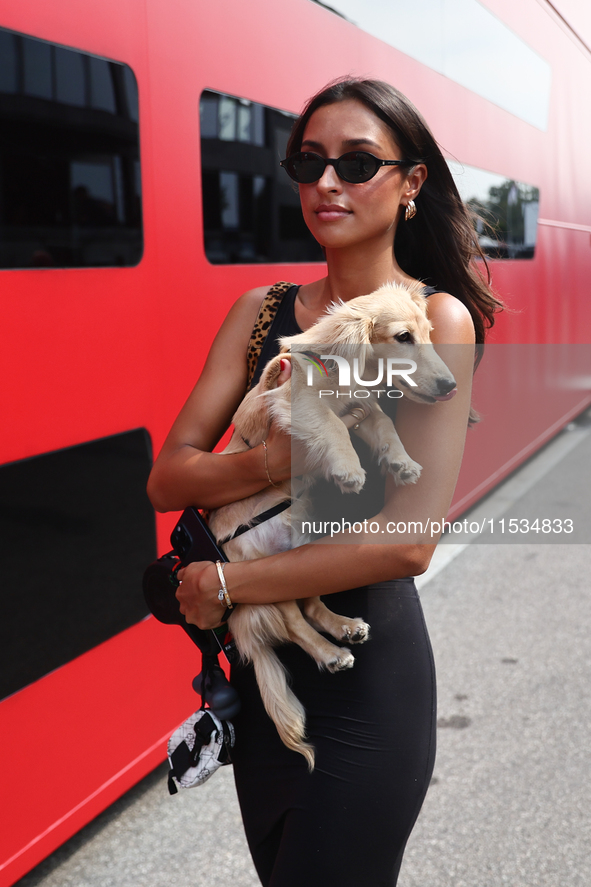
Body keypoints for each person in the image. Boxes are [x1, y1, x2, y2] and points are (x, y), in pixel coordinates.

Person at [147, 78, 501, 886]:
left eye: (356, 162)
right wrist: (288, 459)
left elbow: (407, 541)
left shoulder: (435, 318)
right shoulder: (258, 310)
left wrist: (227, 581)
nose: (328, 183)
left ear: (412, 183)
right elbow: (168, 478)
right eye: (309, 163)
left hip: (370, 687)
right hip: (264, 677)